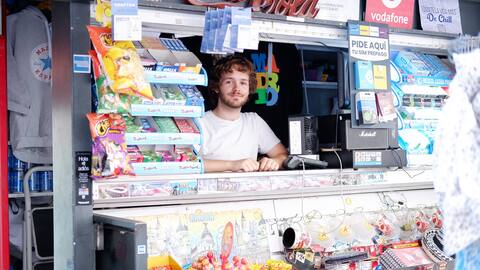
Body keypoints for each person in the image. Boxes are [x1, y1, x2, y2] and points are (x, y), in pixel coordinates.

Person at [199, 55, 288, 173]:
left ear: (249, 88)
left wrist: (274, 162)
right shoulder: (200, 122)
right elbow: (184, 164)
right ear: (216, 87)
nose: (237, 89)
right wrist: (232, 165)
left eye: (243, 83)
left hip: (248, 191)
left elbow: (283, 155)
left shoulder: (254, 121)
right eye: (229, 82)